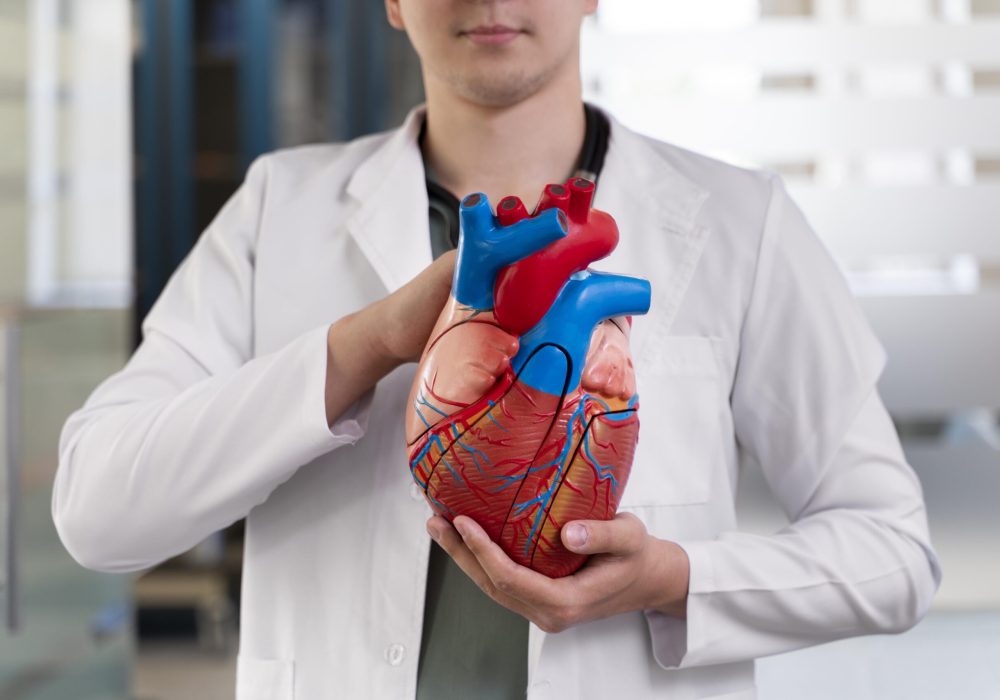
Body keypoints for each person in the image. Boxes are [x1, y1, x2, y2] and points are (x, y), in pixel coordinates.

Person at [52, 1, 942, 698]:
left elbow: (892, 552)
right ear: (393, 1)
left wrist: (673, 577)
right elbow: (97, 510)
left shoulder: (743, 224)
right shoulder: (278, 209)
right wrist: (367, 346)